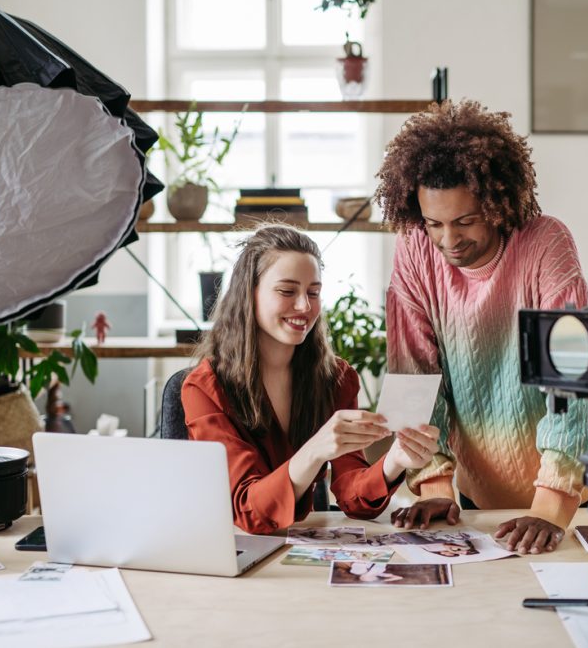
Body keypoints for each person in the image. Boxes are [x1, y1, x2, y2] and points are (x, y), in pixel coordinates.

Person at [375, 99, 588, 555]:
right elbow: (414, 376)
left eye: (465, 221)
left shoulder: (545, 244)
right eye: (433, 223)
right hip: (478, 494)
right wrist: (436, 489)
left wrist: (550, 507)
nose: (448, 240)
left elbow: (572, 383)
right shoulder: (416, 250)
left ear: (498, 203)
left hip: (571, 494)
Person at [182, 224, 440, 535]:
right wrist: (315, 450)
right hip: (232, 552)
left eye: (313, 292)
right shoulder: (205, 388)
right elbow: (248, 511)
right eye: (287, 291)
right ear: (248, 294)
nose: (305, 306)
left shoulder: (337, 379)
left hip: (299, 552)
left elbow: (351, 497)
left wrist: (394, 461)